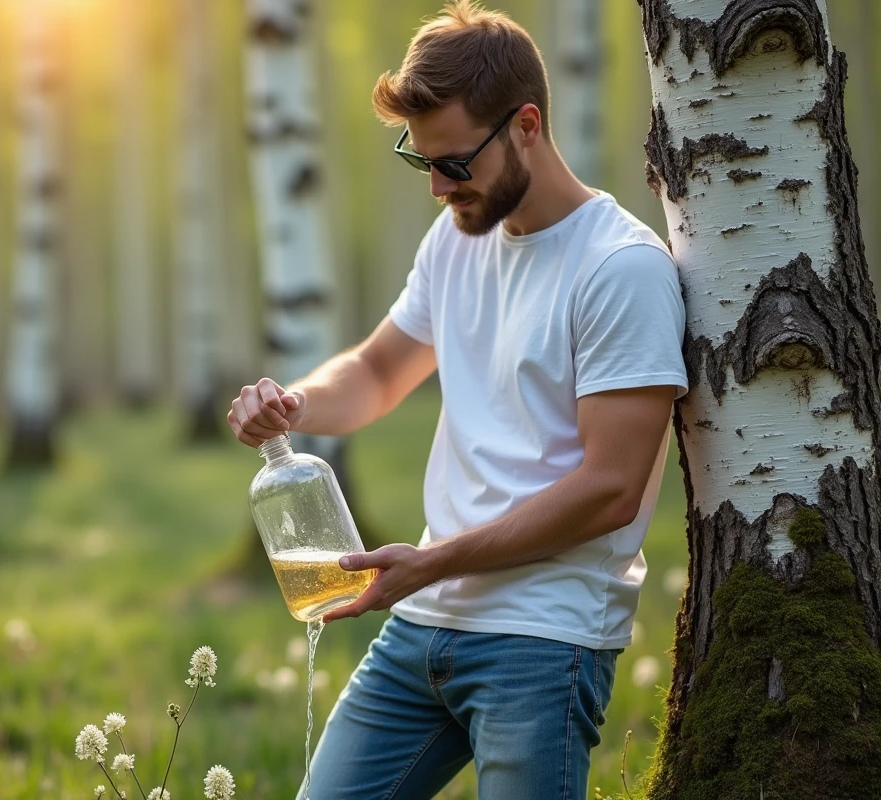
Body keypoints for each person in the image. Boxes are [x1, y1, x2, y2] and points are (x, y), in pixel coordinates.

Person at [226, 2, 688, 798]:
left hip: (542, 638)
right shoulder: (456, 238)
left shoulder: (620, 269)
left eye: (456, 163)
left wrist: (429, 562)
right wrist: (291, 405)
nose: (439, 187)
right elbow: (376, 373)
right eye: (422, 162)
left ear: (527, 125)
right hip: (423, 626)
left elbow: (611, 490)